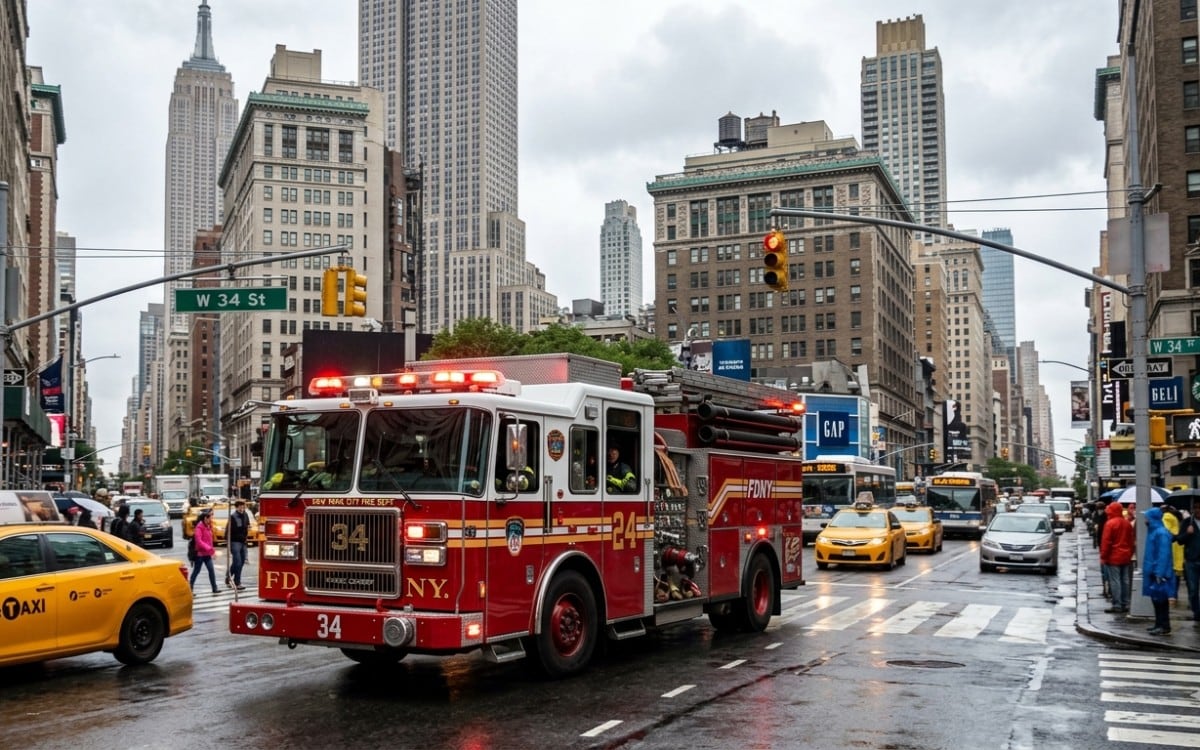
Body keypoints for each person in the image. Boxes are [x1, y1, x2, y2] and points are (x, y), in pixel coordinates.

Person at [1142, 506, 1177, 636]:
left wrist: (1159, 573)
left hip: (1159, 573)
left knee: (1161, 600)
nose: (1145, 519)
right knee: (1156, 599)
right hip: (1154, 571)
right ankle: (1159, 624)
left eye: (1146, 517)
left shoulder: (1161, 533)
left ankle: (1164, 625)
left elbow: (1163, 554)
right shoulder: (1155, 531)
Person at [1099, 498, 1134, 614]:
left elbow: (1106, 542)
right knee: (1125, 580)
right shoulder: (1126, 523)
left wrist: (1104, 557)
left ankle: (1117, 604)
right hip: (1126, 555)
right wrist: (1130, 553)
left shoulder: (1110, 524)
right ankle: (1125, 603)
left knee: (1115, 581)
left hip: (1113, 556)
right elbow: (1131, 540)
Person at [1175, 497, 1200, 624]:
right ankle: (1197, 612)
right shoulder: (1187, 523)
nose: (1198, 510)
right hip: (1192, 560)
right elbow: (1179, 540)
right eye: (1195, 507)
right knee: (1193, 589)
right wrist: (1187, 534)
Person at [189, 510, 220, 596]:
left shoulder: (208, 526)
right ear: (205, 518)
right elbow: (199, 541)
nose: (211, 519)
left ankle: (214, 588)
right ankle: (190, 588)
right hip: (200, 554)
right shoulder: (199, 527)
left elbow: (210, 540)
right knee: (196, 571)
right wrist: (210, 549)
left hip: (207, 554)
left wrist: (211, 550)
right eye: (210, 518)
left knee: (211, 570)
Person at [225, 499, 251, 591]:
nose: (242, 508)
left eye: (243, 506)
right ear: (236, 507)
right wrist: (228, 543)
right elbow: (228, 530)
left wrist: (248, 531)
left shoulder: (245, 515)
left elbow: (247, 525)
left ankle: (228, 577)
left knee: (241, 561)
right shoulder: (233, 517)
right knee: (238, 562)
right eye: (240, 506)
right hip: (235, 542)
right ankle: (237, 582)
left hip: (243, 542)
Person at [1163, 503, 1185, 605]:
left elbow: (1165, 531)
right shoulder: (1177, 517)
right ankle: (1174, 595)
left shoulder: (1166, 517)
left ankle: (1171, 595)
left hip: (1171, 546)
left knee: (1170, 572)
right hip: (1178, 546)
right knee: (1176, 572)